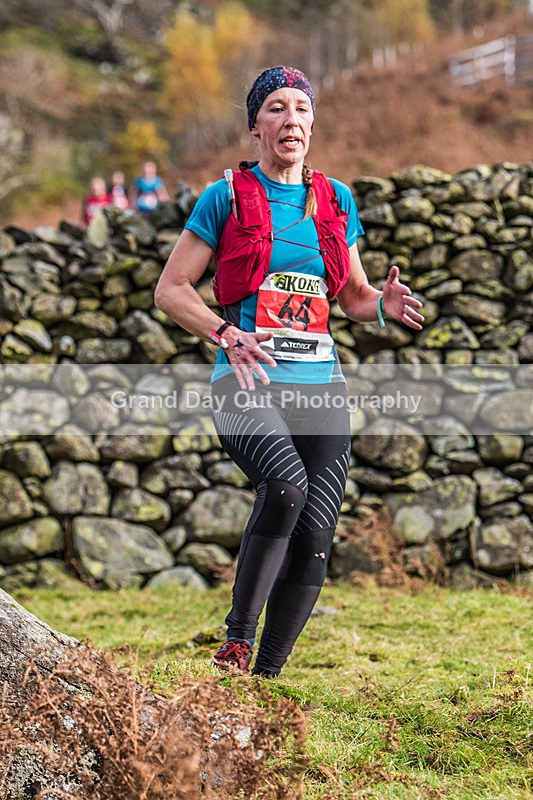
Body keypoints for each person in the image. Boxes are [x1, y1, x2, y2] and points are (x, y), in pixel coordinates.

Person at [154, 66, 424, 678]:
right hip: (244, 382)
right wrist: (226, 332)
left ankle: (266, 681)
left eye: (301, 108)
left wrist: (380, 306)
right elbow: (170, 291)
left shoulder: (336, 201)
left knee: (319, 529)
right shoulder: (224, 196)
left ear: (312, 125)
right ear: (256, 126)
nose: (291, 119)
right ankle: (236, 644)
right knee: (284, 489)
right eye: (276, 108)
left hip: (319, 386)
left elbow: (352, 296)